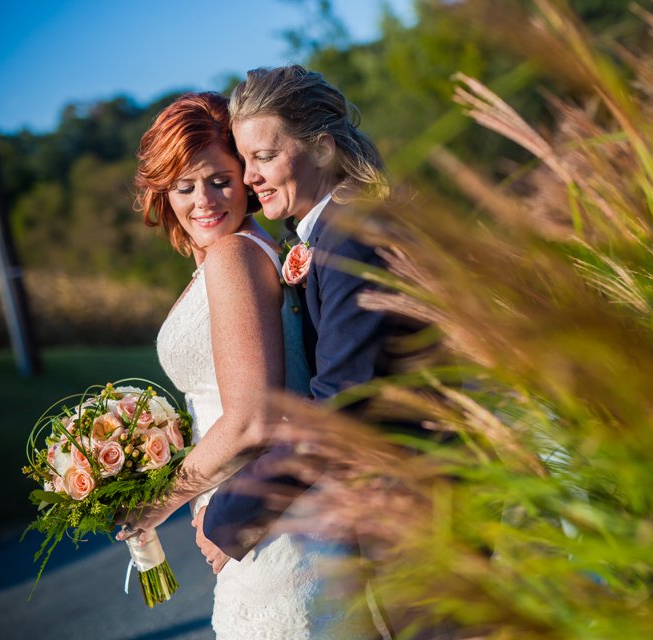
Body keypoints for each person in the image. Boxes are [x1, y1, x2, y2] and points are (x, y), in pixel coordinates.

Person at [199, 65, 426, 638]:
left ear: (322, 147)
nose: (250, 178)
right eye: (245, 161)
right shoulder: (324, 232)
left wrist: (231, 513)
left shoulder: (350, 233)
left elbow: (341, 405)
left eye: (265, 157)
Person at [120, 91, 317, 639]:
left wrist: (156, 502)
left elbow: (251, 418)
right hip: (258, 521)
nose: (203, 200)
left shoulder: (234, 254)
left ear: (247, 179)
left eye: (220, 180)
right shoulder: (241, 253)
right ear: (165, 193)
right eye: (184, 186)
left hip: (270, 532)